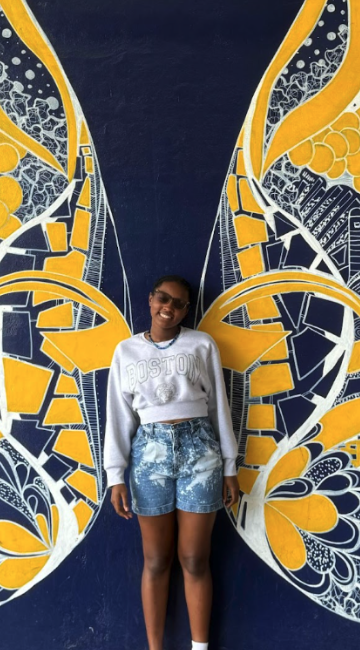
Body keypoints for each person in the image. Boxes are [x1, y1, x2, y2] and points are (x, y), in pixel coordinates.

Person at [104, 275, 240, 650]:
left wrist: (230, 465)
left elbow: (219, 409)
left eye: (179, 303)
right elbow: (118, 416)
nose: (169, 307)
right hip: (149, 454)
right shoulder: (125, 352)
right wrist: (115, 475)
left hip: (201, 452)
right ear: (150, 300)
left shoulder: (202, 344)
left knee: (194, 557)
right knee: (156, 559)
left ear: (185, 311)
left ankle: (200, 647)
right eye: (163, 298)